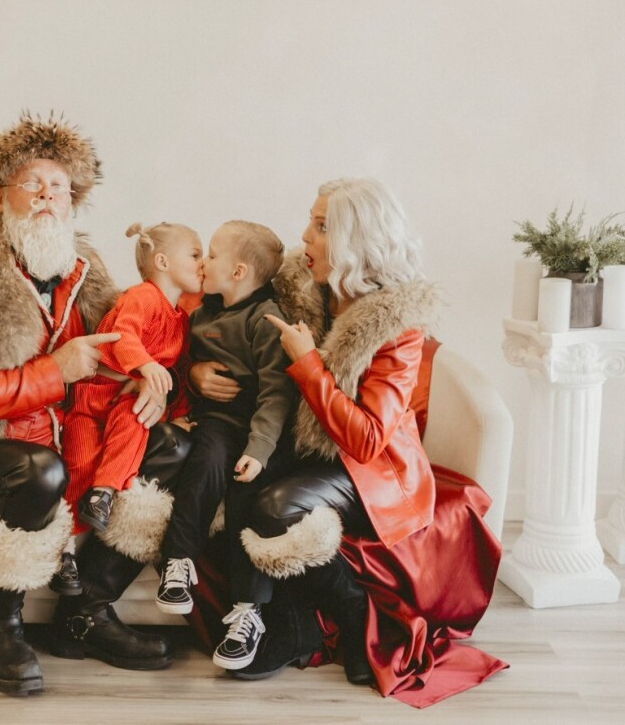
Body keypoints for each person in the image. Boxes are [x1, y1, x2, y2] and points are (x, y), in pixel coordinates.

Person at [0, 115, 188, 697]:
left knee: (169, 444)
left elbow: (128, 339)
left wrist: (148, 376)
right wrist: (56, 371)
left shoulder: (86, 275)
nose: (50, 196)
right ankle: (0, 622)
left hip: (72, 433)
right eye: (34, 184)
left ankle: (86, 611)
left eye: (62, 187)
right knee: (39, 468)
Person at [189, 178, 505, 704]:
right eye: (310, 222)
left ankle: (352, 610)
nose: (304, 238)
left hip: (372, 470)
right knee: (238, 473)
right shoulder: (298, 287)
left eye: (319, 226)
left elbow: (366, 439)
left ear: (354, 239)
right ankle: (289, 626)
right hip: (300, 448)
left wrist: (308, 363)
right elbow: (220, 318)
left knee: (274, 506)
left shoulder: (395, 324)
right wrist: (198, 371)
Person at [151, 220, 295, 671]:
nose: (202, 262)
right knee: (206, 463)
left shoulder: (266, 319)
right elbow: (173, 359)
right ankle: (177, 561)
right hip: (216, 422)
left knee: (245, 495)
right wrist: (191, 375)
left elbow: (277, 394)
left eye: (210, 254)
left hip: (259, 432)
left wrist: (258, 450)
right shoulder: (201, 311)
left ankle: (248, 612)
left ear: (237, 271)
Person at [65, 222, 203, 537]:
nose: (203, 263)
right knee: (81, 460)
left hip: (126, 400)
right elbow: (124, 333)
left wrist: (179, 414)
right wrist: (144, 365)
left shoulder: (180, 319)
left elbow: (178, 370)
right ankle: (66, 543)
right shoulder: (141, 297)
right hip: (94, 396)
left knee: (134, 424)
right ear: (163, 262)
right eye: (195, 255)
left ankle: (104, 492)